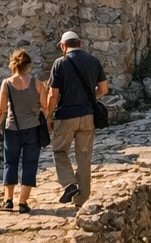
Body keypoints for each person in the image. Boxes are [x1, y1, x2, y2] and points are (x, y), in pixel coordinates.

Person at [44, 30, 107, 209]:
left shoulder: (59, 63)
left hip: (65, 117)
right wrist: (91, 98)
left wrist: (49, 115)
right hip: (88, 116)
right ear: (81, 43)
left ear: (63, 46)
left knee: (59, 151)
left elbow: (53, 94)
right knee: (84, 157)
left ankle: (70, 184)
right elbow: (103, 88)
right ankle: (82, 200)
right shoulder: (93, 61)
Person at [0, 48, 45, 213]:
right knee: (30, 164)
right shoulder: (37, 84)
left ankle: (8, 200)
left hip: (12, 129)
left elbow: (1, 109)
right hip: (33, 129)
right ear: (28, 66)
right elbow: (45, 107)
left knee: (10, 163)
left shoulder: (7, 84)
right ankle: (23, 202)